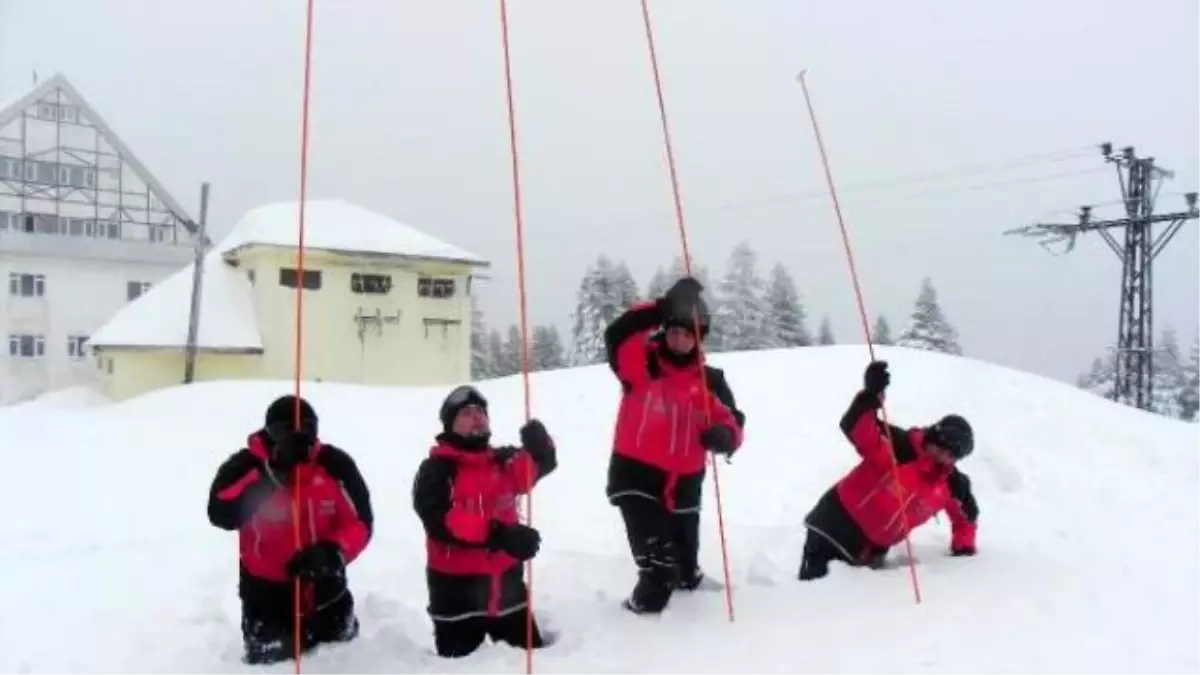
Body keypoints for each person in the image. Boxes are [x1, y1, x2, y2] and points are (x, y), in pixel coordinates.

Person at [602, 275, 747, 615]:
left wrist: (725, 437)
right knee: (660, 566)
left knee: (683, 570)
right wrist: (661, 307)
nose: (678, 339)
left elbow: (733, 421)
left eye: (687, 333)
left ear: (699, 339)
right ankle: (636, 624)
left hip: (684, 485)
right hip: (636, 478)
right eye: (673, 330)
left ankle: (691, 613)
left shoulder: (710, 380)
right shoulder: (642, 366)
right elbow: (617, 335)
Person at [207, 395, 374, 664]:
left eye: (307, 429)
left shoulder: (334, 464)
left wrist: (333, 551)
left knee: (342, 661)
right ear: (269, 433)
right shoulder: (246, 466)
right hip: (266, 597)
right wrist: (271, 475)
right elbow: (220, 512)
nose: (298, 437)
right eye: (285, 431)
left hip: (327, 590)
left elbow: (361, 522)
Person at [411, 384, 558, 658]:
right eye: (466, 412)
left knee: (535, 662)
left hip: (509, 593)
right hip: (456, 598)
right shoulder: (436, 469)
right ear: (450, 425)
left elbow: (539, 466)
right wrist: (500, 535)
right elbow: (440, 521)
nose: (476, 415)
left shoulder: (502, 461)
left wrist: (541, 446)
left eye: (480, 410)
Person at [798, 360, 979, 580]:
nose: (942, 457)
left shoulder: (952, 484)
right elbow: (857, 428)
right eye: (940, 448)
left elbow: (967, 517)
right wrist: (870, 397)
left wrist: (963, 546)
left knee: (857, 613)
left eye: (951, 455)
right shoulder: (899, 445)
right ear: (932, 436)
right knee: (814, 602)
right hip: (834, 528)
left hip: (871, 552)